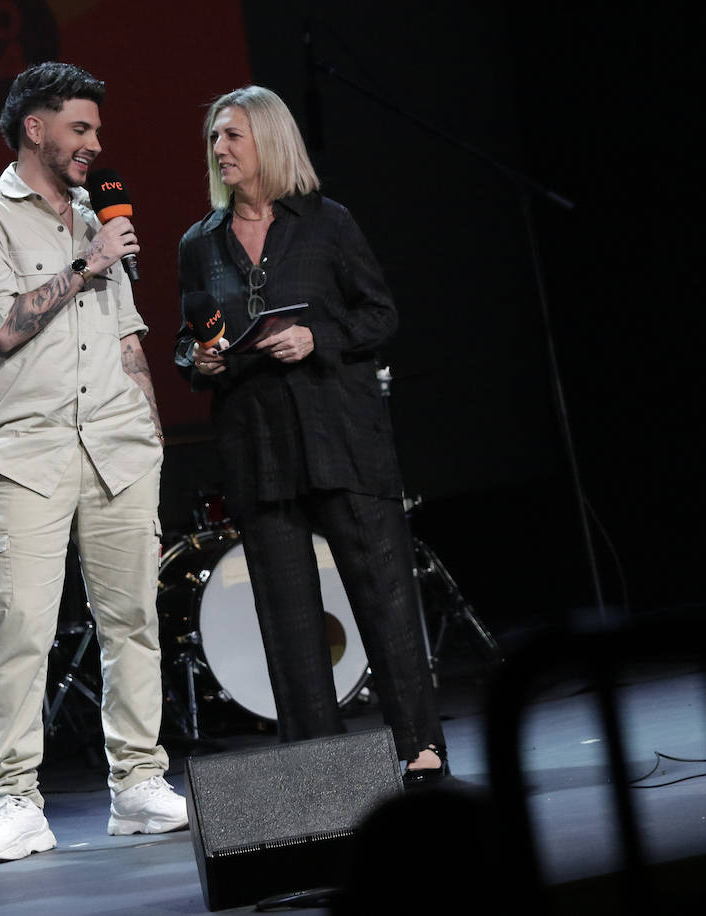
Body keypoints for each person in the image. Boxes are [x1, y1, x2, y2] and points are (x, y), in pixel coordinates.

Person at [0, 61, 188, 866]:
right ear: (35, 128)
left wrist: (150, 435)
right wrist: (87, 262)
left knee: (134, 622)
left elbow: (128, 338)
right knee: (19, 628)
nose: (94, 144)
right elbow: (0, 328)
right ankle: (16, 798)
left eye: (96, 130)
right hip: (29, 452)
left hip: (118, 446)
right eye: (80, 129)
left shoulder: (95, 213)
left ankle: (139, 786)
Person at [175, 85, 447, 784]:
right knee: (289, 619)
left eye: (232, 135)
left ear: (269, 141)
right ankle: (323, 765)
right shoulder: (199, 244)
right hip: (258, 446)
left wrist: (314, 335)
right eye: (214, 138)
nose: (220, 149)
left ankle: (418, 743)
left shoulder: (328, 223)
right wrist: (198, 359)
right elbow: (188, 340)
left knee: (384, 596)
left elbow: (379, 315)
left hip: (340, 437)